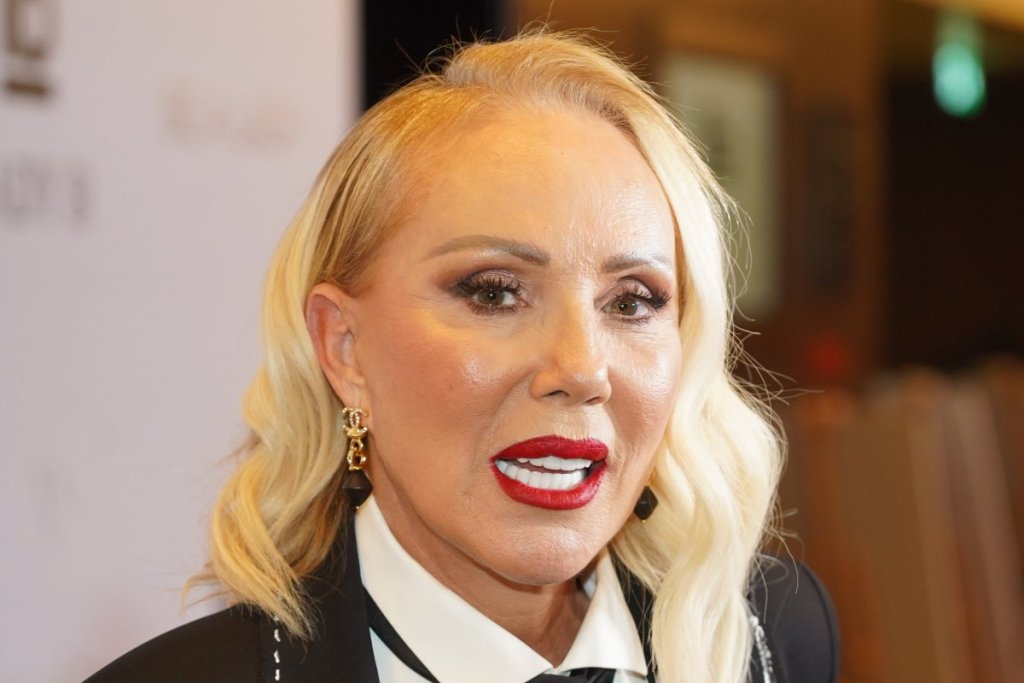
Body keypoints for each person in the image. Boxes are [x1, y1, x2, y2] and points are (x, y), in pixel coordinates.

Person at [86, 31, 838, 683]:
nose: (581, 368)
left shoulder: (773, 637)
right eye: (495, 292)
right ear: (344, 347)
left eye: (632, 301)